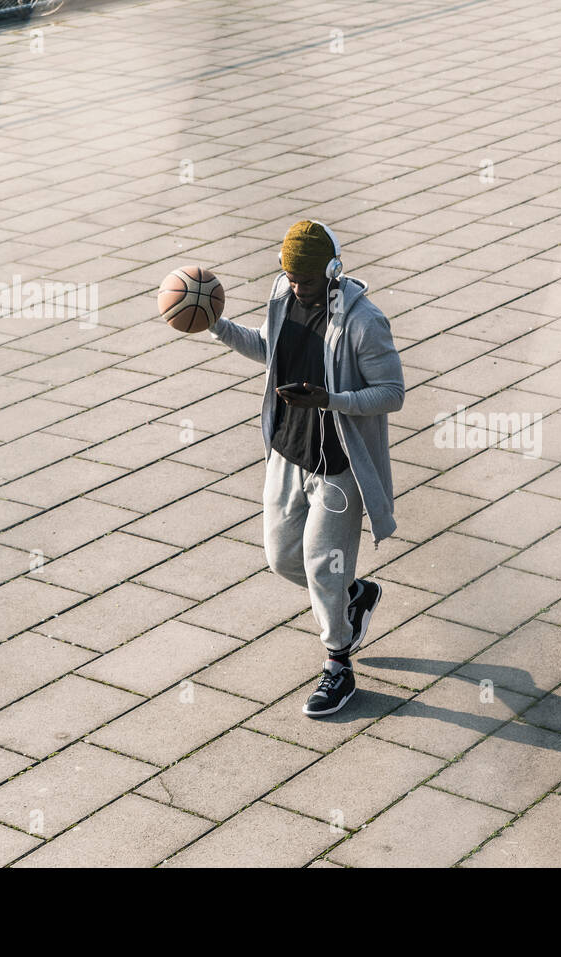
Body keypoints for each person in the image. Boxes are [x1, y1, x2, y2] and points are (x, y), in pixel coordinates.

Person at [207, 220, 404, 717]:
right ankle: (354, 595)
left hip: (338, 465)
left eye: (308, 280)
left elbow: (392, 393)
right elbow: (268, 350)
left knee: (321, 565)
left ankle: (338, 665)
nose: (298, 287)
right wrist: (214, 324)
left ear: (334, 271)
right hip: (288, 451)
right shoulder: (282, 296)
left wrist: (330, 399)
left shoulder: (364, 322)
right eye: (291, 277)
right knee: (282, 558)